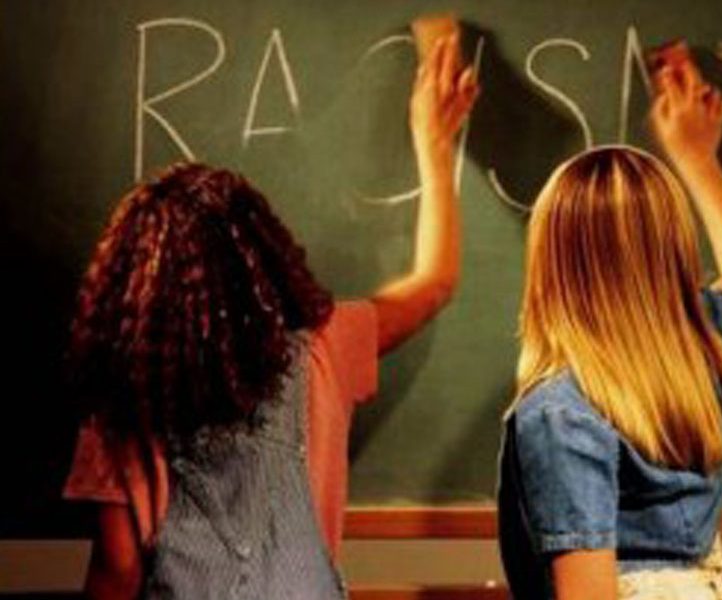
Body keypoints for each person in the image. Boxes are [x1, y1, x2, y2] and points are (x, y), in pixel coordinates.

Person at [62, 33, 477, 599]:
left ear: (132, 290)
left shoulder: (121, 407)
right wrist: (434, 144)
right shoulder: (325, 348)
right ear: (263, 261)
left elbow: (117, 570)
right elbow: (434, 283)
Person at [497, 57, 722, 600]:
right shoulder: (701, 343)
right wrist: (697, 158)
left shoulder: (560, 412)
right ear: (675, 250)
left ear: (549, 264)